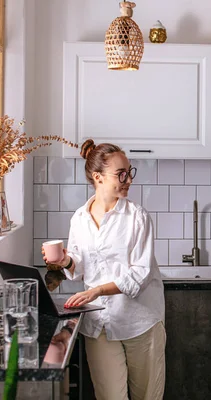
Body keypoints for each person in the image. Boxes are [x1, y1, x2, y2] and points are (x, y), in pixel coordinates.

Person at [42, 139, 165, 400]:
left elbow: (139, 275)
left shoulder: (138, 217)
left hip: (140, 322)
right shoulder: (79, 219)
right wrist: (65, 260)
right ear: (98, 177)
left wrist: (97, 291)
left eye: (129, 172)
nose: (128, 179)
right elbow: (79, 265)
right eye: (121, 174)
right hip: (99, 324)